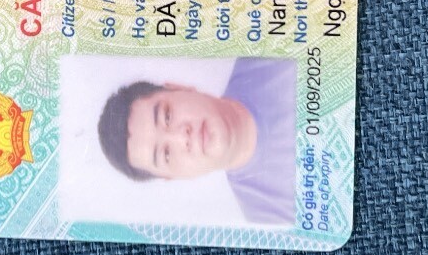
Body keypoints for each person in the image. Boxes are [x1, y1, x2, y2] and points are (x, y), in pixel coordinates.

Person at [94, 57, 295, 224]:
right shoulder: (269, 217)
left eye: (167, 116)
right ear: (173, 176)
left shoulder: (269, 53)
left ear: (179, 88)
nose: (181, 136)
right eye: (166, 154)